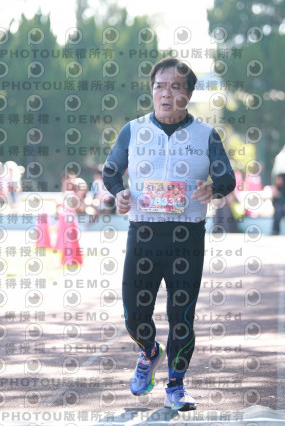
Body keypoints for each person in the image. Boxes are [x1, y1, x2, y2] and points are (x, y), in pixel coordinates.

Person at [103, 57, 236, 411]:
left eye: (175, 87)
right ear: (151, 91)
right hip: (143, 233)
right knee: (134, 315)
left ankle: (176, 385)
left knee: (182, 316)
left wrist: (213, 188)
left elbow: (227, 178)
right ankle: (149, 351)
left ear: (188, 94)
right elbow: (111, 171)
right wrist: (119, 193)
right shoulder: (133, 130)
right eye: (159, 86)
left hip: (186, 237)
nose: (165, 94)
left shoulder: (206, 135)